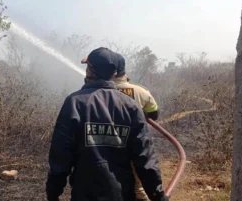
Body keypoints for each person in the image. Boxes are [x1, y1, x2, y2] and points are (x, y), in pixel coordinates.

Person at [46, 47, 168, 201]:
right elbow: (145, 156)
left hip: (84, 194)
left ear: (89, 71)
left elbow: (60, 154)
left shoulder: (74, 103)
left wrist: (53, 192)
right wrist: (158, 195)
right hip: (122, 193)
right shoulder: (130, 106)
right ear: (114, 74)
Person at [112, 52, 161, 201]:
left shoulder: (99, 91)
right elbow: (154, 113)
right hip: (135, 145)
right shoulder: (141, 91)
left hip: (106, 144)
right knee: (139, 186)